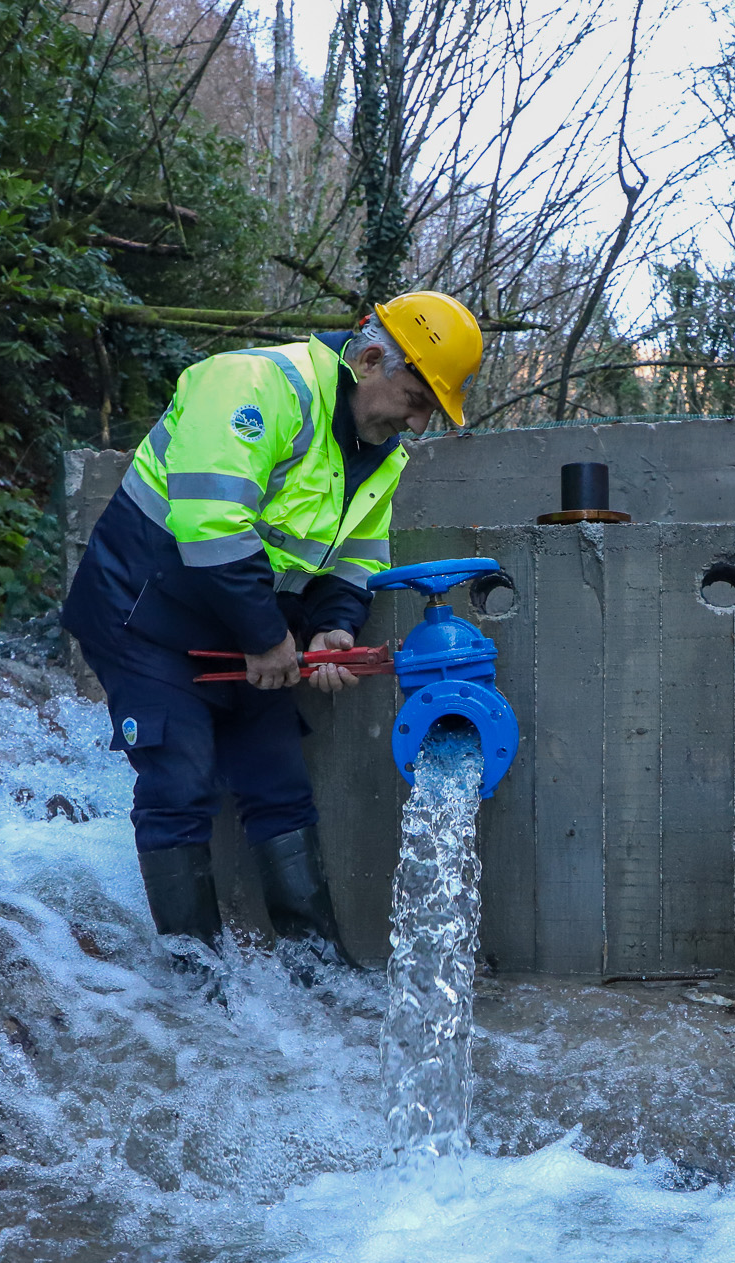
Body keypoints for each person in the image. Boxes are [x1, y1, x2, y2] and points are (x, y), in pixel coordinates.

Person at [61, 292, 484, 965]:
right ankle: (195, 986)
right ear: (374, 359)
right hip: (144, 612)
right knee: (180, 779)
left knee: (278, 780)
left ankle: (319, 973)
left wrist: (334, 629)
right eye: (419, 398)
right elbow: (212, 523)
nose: (421, 420)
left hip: (245, 621)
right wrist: (265, 638)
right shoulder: (257, 385)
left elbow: (357, 556)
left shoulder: (382, 453)